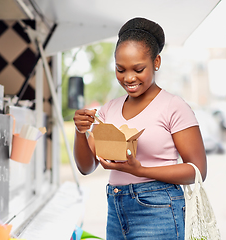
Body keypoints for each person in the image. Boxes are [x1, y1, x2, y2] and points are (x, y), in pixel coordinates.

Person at [73, 17, 207, 240]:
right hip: (116, 208)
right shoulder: (109, 110)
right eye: (120, 69)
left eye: (138, 69)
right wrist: (81, 131)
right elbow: (86, 167)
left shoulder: (174, 106)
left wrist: (140, 170)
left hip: (160, 209)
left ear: (156, 62)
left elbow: (197, 171)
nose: (129, 78)